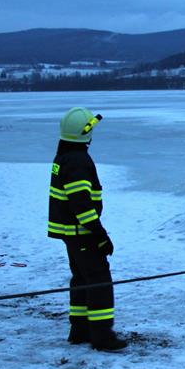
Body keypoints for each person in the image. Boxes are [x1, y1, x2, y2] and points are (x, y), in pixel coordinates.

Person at [48, 107, 127, 352]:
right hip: (80, 232)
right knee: (99, 280)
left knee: (82, 278)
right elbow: (81, 204)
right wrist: (99, 235)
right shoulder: (78, 161)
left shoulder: (65, 155)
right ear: (85, 133)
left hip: (72, 233)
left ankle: (80, 329)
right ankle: (102, 335)